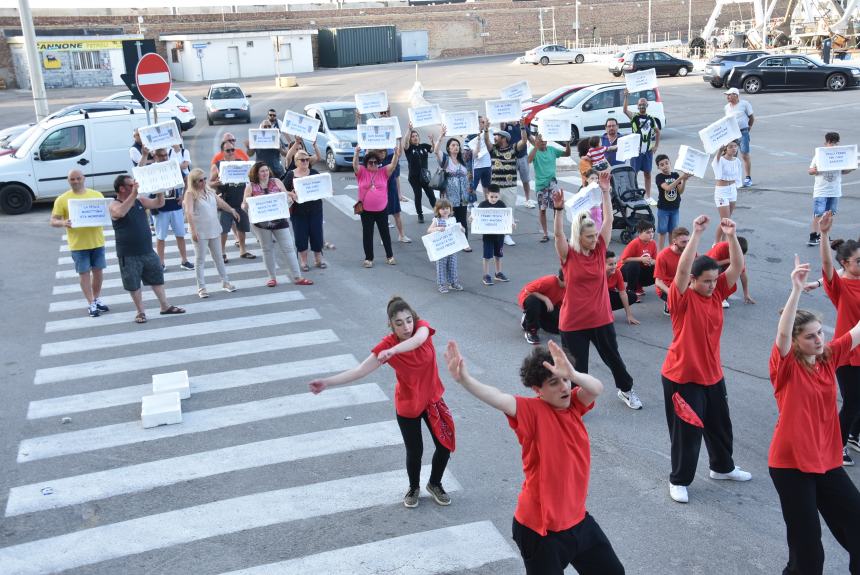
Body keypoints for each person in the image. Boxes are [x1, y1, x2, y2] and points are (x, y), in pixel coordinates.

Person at [444, 340, 625, 575]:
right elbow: (500, 398)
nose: (564, 388)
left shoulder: (574, 406)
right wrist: (465, 380)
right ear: (537, 390)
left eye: (566, 381)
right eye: (554, 383)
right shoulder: (532, 412)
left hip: (577, 521)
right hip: (540, 531)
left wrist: (571, 373)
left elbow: (596, 388)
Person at [310, 297, 455, 508]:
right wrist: (326, 382)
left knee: (444, 445)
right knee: (415, 451)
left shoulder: (421, 329)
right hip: (408, 404)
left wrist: (395, 351)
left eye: (408, 320)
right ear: (391, 325)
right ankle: (413, 487)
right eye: (399, 323)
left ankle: (434, 483)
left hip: (432, 400)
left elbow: (416, 341)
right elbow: (360, 370)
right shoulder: (386, 346)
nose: (406, 327)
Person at [769, 255, 860, 574]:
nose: (819, 340)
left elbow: (859, 330)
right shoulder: (786, 366)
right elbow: (781, 336)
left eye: (820, 333)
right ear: (795, 342)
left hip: (827, 461)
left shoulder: (828, 357)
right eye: (810, 336)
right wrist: (795, 290)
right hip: (791, 465)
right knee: (809, 555)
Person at [662, 215, 751, 504]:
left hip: (712, 374)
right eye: (706, 281)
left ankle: (722, 468)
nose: (713, 286)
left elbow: (736, 267)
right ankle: (678, 480)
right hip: (682, 376)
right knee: (688, 432)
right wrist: (697, 234)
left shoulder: (716, 293)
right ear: (692, 281)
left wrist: (732, 236)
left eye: (715, 280)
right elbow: (682, 270)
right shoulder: (682, 298)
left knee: (720, 425)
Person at [552, 172, 641, 410]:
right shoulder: (568, 255)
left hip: (601, 318)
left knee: (614, 358)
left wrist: (605, 191)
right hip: (573, 322)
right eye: (589, 237)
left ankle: (626, 390)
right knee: (578, 369)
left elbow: (609, 221)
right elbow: (559, 234)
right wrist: (559, 210)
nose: (594, 240)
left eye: (594, 235)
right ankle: (576, 406)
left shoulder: (601, 248)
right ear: (579, 237)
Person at [109, 175, 186, 324]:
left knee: (156, 278)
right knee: (134, 283)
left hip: (147, 250)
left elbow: (159, 203)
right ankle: (140, 311)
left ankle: (165, 306)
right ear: (122, 188)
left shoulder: (140, 201)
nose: (135, 187)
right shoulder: (114, 204)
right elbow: (120, 213)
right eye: (131, 185)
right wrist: (133, 194)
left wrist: (159, 190)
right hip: (128, 253)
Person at [819, 211, 860, 466]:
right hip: (848, 351)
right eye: (859, 261)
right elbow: (825, 266)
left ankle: (854, 436)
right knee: (853, 400)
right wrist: (823, 234)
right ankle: (837, 445)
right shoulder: (841, 287)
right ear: (844, 263)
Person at [241, 161, 313, 287]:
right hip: (261, 224)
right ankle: (272, 278)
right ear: (256, 173)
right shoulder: (251, 186)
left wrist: (290, 199)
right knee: (267, 249)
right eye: (262, 171)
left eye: (266, 170)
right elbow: (244, 204)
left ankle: (298, 277)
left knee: (289, 248)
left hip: (279, 220)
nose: (265, 173)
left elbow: (285, 196)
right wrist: (246, 205)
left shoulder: (276, 182)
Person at [50, 169, 108, 318]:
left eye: (78, 178)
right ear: (68, 181)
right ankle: (90, 303)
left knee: (98, 272)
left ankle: (96, 298)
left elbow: (105, 214)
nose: (75, 181)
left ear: (84, 178)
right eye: (72, 179)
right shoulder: (62, 199)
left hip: (97, 241)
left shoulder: (96, 195)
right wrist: (63, 222)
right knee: (84, 274)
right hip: (78, 244)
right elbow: (53, 220)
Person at [182, 168, 238, 298]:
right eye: (200, 180)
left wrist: (231, 210)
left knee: (218, 257)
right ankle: (201, 288)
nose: (203, 182)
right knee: (200, 259)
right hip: (200, 231)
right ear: (194, 182)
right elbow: (189, 213)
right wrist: (193, 230)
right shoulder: (190, 194)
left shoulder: (209, 191)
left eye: (204, 179)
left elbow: (220, 203)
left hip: (213, 228)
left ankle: (226, 282)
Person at [139, 147, 194, 271]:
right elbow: (139, 170)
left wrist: (183, 196)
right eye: (161, 155)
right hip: (160, 207)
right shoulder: (152, 169)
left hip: (175, 206)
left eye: (165, 155)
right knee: (160, 236)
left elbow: (187, 179)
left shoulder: (173, 166)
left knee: (180, 234)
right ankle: (161, 263)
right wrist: (144, 155)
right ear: (155, 157)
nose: (164, 157)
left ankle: (184, 260)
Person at [354, 145, 401, 267]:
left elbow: (393, 165)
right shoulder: (362, 172)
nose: (373, 164)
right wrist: (356, 153)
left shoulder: (383, 172)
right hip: (366, 211)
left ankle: (390, 256)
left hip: (381, 209)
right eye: (370, 162)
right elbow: (355, 165)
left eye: (375, 162)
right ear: (366, 163)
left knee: (385, 233)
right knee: (367, 234)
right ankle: (368, 259)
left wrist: (396, 154)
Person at [209, 141, 255, 263]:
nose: (230, 153)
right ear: (222, 152)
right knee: (223, 230)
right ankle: (222, 253)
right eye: (227, 150)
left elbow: (250, 179)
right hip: (225, 203)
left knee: (242, 227)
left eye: (232, 150)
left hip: (240, 200)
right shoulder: (218, 165)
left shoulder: (241, 164)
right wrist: (216, 183)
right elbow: (209, 184)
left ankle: (243, 250)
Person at [283, 148, 327, 271]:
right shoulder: (290, 174)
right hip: (298, 212)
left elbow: (323, 186)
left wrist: (327, 190)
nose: (305, 162)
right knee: (301, 236)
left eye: (307, 159)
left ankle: (318, 259)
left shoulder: (314, 172)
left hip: (315, 209)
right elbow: (282, 190)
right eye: (302, 160)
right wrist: (291, 193)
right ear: (296, 161)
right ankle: (303, 262)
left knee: (317, 234)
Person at [807, 131, 854, 246]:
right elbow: (810, 171)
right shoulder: (819, 155)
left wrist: (852, 168)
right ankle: (813, 236)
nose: (832, 145)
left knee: (830, 213)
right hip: (821, 190)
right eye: (831, 143)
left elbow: (843, 171)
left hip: (834, 190)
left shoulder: (839, 155)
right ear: (826, 142)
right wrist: (818, 169)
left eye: (834, 143)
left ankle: (825, 235)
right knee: (818, 213)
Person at [486, 125, 526, 246]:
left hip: (510, 186)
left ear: (504, 138)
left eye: (497, 136)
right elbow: (486, 141)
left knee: (509, 211)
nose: (495, 138)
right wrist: (486, 130)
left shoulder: (513, 149)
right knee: (495, 211)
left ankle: (507, 235)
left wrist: (523, 127)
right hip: (495, 188)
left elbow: (524, 141)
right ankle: (497, 235)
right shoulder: (493, 150)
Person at [433, 129, 472, 249]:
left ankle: (464, 243)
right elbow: (435, 150)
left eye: (457, 145)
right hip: (449, 196)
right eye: (453, 145)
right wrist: (441, 137)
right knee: (449, 219)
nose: (456, 147)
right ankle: (450, 242)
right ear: (449, 148)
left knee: (462, 220)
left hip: (463, 196)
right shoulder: (445, 159)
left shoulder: (463, 160)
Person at [529, 133, 571, 242]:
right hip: (541, 186)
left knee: (557, 209)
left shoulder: (552, 150)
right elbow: (528, 160)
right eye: (540, 140)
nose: (542, 142)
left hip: (553, 184)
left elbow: (567, 154)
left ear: (547, 141)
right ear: (537, 141)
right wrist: (535, 146)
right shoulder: (535, 151)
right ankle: (545, 233)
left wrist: (567, 143)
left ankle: (559, 233)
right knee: (542, 210)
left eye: (544, 140)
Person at [622, 90, 660, 205]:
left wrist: (655, 146)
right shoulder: (634, 117)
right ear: (637, 106)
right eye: (640, 105)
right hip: (636, 151)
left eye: (644, 104)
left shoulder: (651, 119)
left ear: (647, 106)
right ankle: (634, 195)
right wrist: (626, 97)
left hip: (647, 151)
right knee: (634, 174)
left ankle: (648, 196)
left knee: (647, 173)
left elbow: (657, 132)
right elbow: (624, 110)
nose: (642, 106)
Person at [474, 184, 512, 286]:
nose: (494, 199)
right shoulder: (482, 205)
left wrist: (512, 223)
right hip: (488, 236)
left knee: (498, 255)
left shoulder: (502, 204)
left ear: (499, 195)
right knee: (487, 256)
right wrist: (471, 219)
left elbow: (507, 217)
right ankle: (486, 275)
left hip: (499, 236)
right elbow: (475, 216)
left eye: (496, 197)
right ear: (487, 195)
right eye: (491, 197)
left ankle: (498, 273)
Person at [518, 268, 565, 345]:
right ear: (564, 279)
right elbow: (528, 290)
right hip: (530, 299)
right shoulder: (550, 281)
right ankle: (531, 330)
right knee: (533, 301)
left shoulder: (567, 288)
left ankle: (536, 320)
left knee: (559, 328)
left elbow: (562, 306)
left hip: (548, 305)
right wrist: (545, 298)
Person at [427, 199, 464, 294]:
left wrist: (462, 229)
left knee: (453, 265)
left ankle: (453, 282)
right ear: (438, 210)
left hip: (452, 247)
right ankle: (442, 284)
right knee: (441, 266)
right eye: (442, 208)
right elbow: (429, 230)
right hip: (441, 248)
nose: (445, 210)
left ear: (450, 209)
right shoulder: (437, 220)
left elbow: (458, 229)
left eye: (447, 208)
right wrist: (437, 228)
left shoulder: (453, 219)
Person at [654, 153, 689, 251]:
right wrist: (681, 178)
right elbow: (668, 188)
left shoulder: (675, 175)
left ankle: (671, 250)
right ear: (658, 167)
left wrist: (684, 181)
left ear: (670, 163)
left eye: (666, 163)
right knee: (662, 232)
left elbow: (680, 191)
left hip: (675, 208)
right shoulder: (659, 177)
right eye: (662, 164)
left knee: (673, 232)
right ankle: (660, 253)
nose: (665, 166)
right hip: (663, 209)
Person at [706, 238, 755, 307]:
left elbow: (743, 275)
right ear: (731, 247)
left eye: (740, 255)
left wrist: (746, 294)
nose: (738, 256)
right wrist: (728, 260)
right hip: (707, 269)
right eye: (736, 253)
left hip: (722, 270)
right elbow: (710, 264)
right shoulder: (721, 246)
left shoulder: (739, 257)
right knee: (717, 269)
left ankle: (720, 296)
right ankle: (715, 294)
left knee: (733, 275)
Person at [403, 123, 436, 224]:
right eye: (413, 137)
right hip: (414, 177)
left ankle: (438, 213)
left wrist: (432, 141)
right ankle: (420, 215)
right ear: (410, 139)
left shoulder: (424, 146)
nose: (415, 138)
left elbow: (433, 149)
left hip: (425, 176)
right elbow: (404, 143)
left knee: (431, 195)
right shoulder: (409, 149)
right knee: (418, 195)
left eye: (416, 136)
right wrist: (409, 130)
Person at [711, 141, 743, 245]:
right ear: (726, 148)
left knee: (728, 219)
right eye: (730, 147)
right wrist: (719, 151)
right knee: (725, 220)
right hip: (722, 191)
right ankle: (716, 243)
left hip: (732, 190)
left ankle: (723, 242)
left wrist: (736, 186)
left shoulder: (737, 161)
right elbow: (715, 163)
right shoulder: (721, 159)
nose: (734, 149)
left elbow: (738, 175)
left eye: (735, 146)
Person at [654, 227, 690, 316]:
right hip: (669, 287)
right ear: (674, 241)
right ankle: (669, 302)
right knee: (678, 311)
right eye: (683, 242)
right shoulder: (663, 256)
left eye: (688, 241)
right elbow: (658, 282)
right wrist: (672, 293)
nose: (687, 245)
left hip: (685, 283)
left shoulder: (691, 252)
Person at [723, 87, 754, 187]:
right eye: (727, 95)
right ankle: (733, 178)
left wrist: (749, 127)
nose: (727, 97)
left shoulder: (745, 104)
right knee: (731, 156)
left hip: (743, 132)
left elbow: (752, 118)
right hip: (732, 134)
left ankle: (748, 178)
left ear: (736, 95)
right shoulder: (727, 107)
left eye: (729, 94)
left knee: (745, 154)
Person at [619, 220, 657, 298]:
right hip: (624, 271)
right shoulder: (634, 243)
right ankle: (630, 291)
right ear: (639, 233)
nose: (651, 234)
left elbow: (655, 260)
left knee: (659, 266)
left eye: (652, 232)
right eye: (647, 232)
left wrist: (651, 262)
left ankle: (639, 286)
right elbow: (624, 260)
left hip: (641, 270)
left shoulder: (653, 243)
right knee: (634, 265)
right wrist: (641, 259)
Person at [502, 120, 534, 208]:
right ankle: (509, 201)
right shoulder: (506, 125)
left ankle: (528, 200)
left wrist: (539, 146)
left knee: (526, 180)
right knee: (510, 181)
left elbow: (531, 139)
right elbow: (502, 130)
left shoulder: (523, 126)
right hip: (510, 158)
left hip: (523, 157)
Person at [606, 251, 639, 325]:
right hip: (596, 298)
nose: (614, 266)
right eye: (610, 264)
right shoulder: (597, 274)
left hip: (609, 295)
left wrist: (629, 315)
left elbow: (623, 293)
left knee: (632, 296)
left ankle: (606, 311)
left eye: (615, 263)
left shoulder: (617, 272)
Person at [467, 115, 492, 199]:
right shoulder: (470, 136)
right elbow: (468, 155)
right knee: (472, 187)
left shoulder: (488, 133)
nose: (484, 124)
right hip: (476, 167)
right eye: (482, 122)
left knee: (486, 186)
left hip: (487, 165)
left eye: (484, 122)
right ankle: (471, 204)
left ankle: (487, 203)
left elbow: (492, 147)